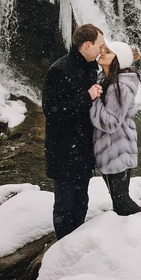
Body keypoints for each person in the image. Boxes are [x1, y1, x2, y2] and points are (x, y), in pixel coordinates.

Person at [42, 23, 105, 239]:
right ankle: (62, 249)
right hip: (63, 151)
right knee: (64, 204)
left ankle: (76, 244)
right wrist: (87, 96)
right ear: (87, 45)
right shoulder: (59, 70)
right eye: (100, 46)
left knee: (82, 201)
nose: (101, 51)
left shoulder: (91, 68)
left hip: (83, 150)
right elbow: (52, 111)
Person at [90, 40, 141, 216]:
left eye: (108, 52)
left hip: (119, 150)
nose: (102, 53)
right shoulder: (104, 80)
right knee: (117, 199)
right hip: (109, 151)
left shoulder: (119, 87)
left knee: (121, 201)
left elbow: (111, 123)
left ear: (117, 60)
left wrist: (93, 99)